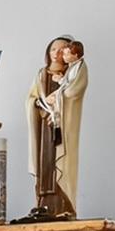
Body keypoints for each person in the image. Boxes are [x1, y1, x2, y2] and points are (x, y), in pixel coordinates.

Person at [24, 36, 85, 216]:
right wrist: (39, 103)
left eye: (61, 49)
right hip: (44, 127)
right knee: (45, 165)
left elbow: (74, 92)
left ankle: (63, 205)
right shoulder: (41, 75)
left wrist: (57, 98)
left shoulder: (73, 73)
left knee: (61, 163)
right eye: (53, 49)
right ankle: (43, 204)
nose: (56, 53)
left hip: (62, 127)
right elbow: (30, 99)